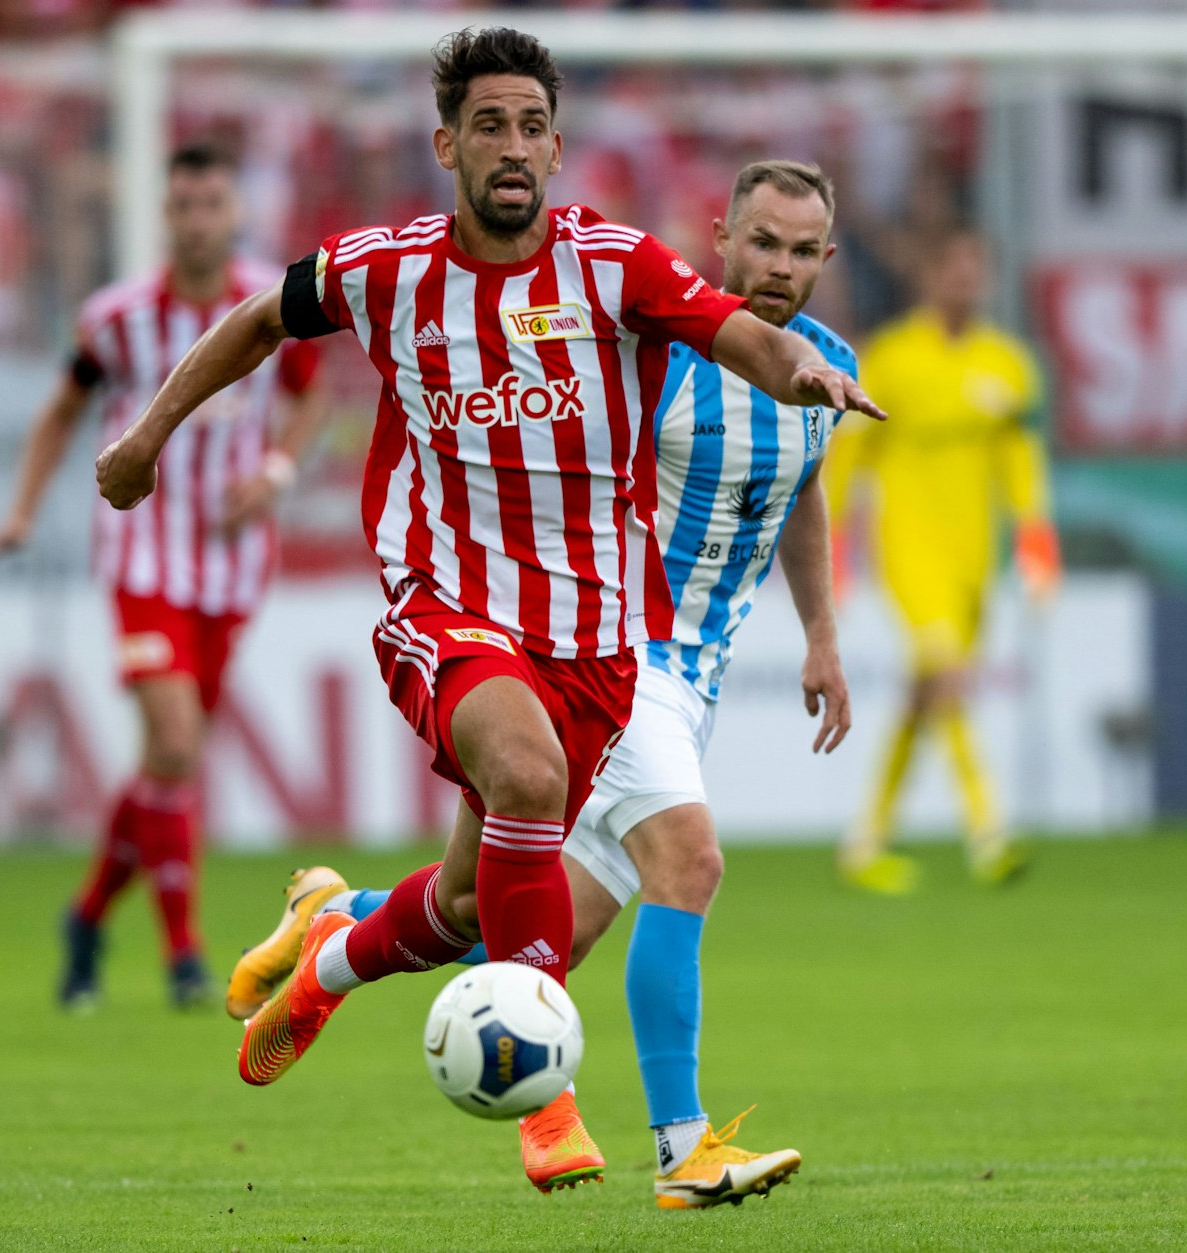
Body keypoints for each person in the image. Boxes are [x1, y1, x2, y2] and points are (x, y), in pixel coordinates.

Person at [93, 28, 882, 1194]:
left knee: (479, 907)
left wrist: (799, 377)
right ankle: (571, 1115)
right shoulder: (384, 268)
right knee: (546, 787)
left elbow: (742, 345)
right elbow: (259, 318)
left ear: (557, 149)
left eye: (529, 127)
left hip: (594, 637)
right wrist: (148, 435)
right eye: (487, 125)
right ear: (445, 142)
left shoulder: (615, 266)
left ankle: (329, 950)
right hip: (447, 600)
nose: (509, 147)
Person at [239, 159, 861, 1210]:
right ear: (720, 238)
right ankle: (681, 1146)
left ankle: (331, 935)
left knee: (499, 920)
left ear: (825, 261)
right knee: (688, 859)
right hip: (609, 645)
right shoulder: (650, 345)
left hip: (690, 679)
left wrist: (821, 636)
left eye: (801, 250)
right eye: (762, 241)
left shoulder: (824, 365)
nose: (779, 266)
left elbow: (796, 488)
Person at [0, 142, 326, 1009]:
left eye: (213, 204)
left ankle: (87, 917)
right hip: (143, 554)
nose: (199, 219)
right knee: (173, 745)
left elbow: (312, 393)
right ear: (166, 215)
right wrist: (18, 512)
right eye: (184, 205)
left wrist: (275, 471)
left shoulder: (265, 304)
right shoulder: (118, 318)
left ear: (233, 214)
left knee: (168, 761)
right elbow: (62, 410)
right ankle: (187, 955)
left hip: (231, 566)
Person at [827, 227, 1058, 893]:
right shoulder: (894, 359)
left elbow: (1016, 455)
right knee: (947, 674)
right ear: (929, 278)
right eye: (951, 269)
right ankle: (989, 833)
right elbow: (854, 453)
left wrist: (1035, 531)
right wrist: (837, 540)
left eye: (973, 270)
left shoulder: (1006, 363)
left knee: (927, 692)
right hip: (909, 547)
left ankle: (865, 840)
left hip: (973, 556)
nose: (962, 281)